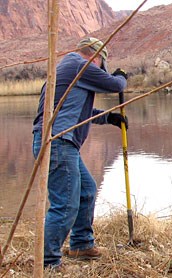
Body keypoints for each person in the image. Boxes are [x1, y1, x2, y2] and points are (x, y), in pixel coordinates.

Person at [32, 37, 128, 268]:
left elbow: (78, 110)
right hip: (58, 143)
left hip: (58, 143)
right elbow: (115, 85)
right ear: (97, 58)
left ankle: (81, 245)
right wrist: (121, 76)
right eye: (102, 64)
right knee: (65, 205)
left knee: (86, 190)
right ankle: (47, 262)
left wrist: (108, 117)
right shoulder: (80, 65)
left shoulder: (68, 68)